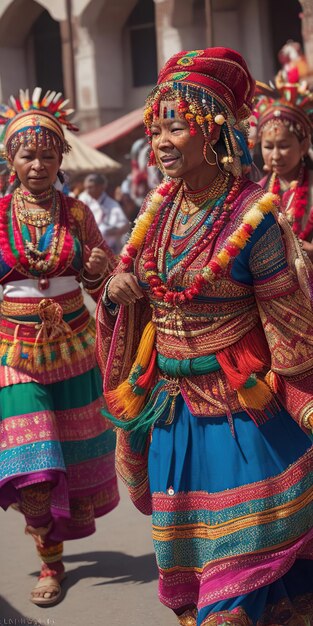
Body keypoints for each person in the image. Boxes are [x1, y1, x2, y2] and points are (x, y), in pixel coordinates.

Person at [96, 48, 313, 625]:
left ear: (214, 132)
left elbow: (288, 323)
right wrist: (118, 287)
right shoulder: (157, 208)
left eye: (176, 127)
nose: (161, 141)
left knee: (236, 589)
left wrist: (304, 398)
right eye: (156, 128)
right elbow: (136, 281)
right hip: (172, 414)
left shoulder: (255, 218)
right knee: (192, 576)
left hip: (242, 414)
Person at [0, 88, 119, 606]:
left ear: (61, 158)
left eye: (49, 154)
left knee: (71, 460)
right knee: (35, 466)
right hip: (14, 350)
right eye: (28, 154)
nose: (39, 164)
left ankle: (55, 547)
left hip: (73, 349)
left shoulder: (78, 215)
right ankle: (50, 564)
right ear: (10, 159)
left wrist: (100, 273)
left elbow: (105, 284)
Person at [251, 75, 313, 260]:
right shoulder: (257, 192)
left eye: (284, 146)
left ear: (303, 146)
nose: (276, 155)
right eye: (269, 147)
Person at [79, 173, 129, 253]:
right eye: (86, 188)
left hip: (107, 249)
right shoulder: (83, 199)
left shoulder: (112, 205)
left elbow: (125, 226)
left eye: (91, 187)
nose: (87, 191)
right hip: (86, 249)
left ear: (100, 187)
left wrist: (107, 232)